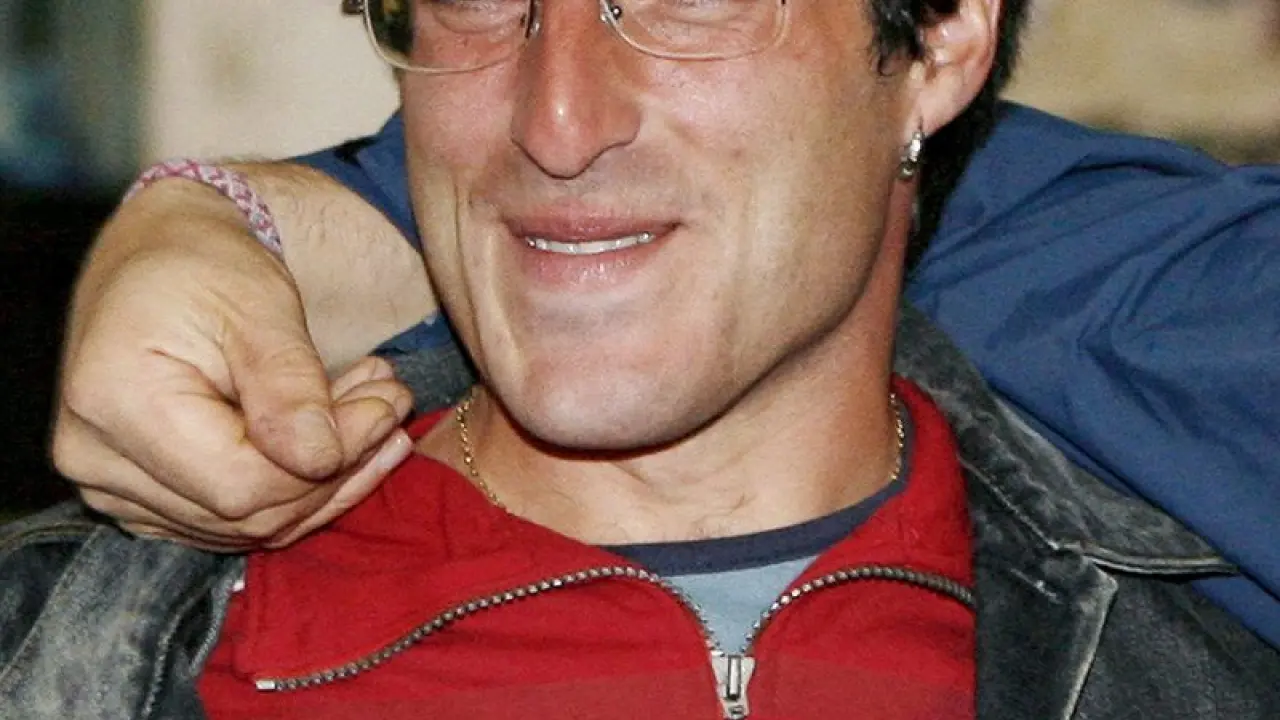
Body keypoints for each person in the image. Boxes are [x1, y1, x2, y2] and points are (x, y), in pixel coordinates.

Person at [6, 0, 1279, 717]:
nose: (557, 122)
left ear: (941, 45)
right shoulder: (74, 644)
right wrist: (222, 213)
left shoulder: (1185, 636)